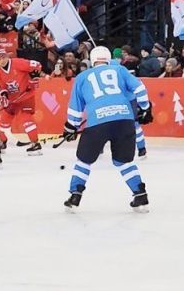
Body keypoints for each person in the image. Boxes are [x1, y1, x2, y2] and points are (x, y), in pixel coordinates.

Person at [63, 46, 152, 212]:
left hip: (98, 122)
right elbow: (139, 88)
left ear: (92, 60)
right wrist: (146, 108)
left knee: (84, 161)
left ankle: (75, 194)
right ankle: (140, 194)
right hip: (124, 120)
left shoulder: (82, 77)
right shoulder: (120, 70)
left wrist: (71, 127)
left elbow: (75, 108)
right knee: (123, 161)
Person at [0, 48, 43, 155]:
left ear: (7, 56)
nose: (1, 60)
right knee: (4, 119)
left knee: (26, 118)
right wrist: (4, 94)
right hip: (13, 100)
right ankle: (2, 142)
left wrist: (35, 75)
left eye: (3, 57)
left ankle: (35, 143)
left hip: (26, 96)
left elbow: (37, 65)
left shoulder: (18, 63)